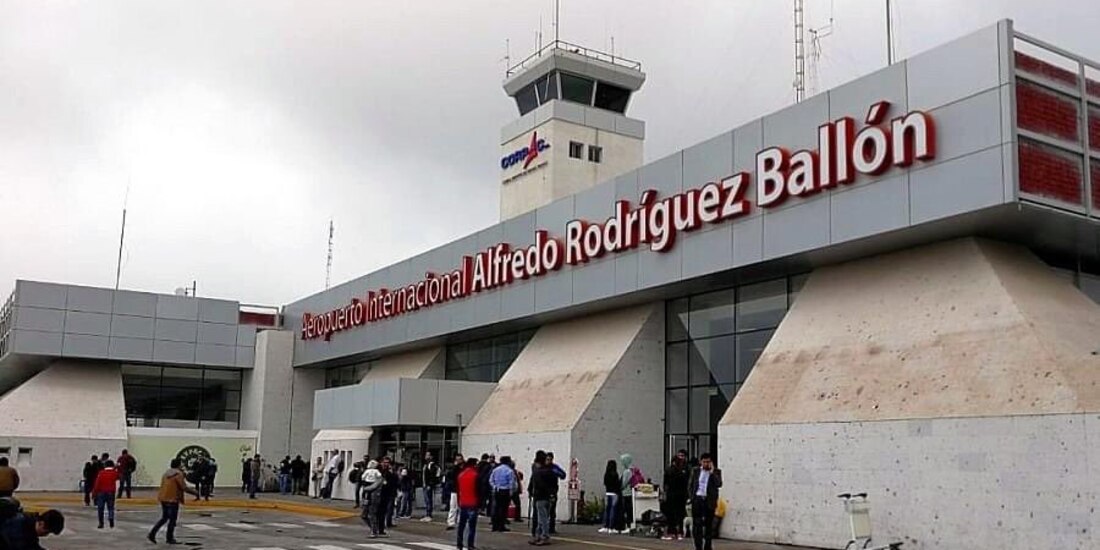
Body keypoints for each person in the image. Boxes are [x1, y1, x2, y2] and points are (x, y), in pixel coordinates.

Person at [147, 458, 198, 545]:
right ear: (179, 465)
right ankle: (169, 538)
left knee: (164, 518)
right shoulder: (178, 474)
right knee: (172, 520)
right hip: (173, 499)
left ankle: (152, 533)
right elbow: (183, 487)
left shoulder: (166, 473)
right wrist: (195, 493)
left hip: (163, 498)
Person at [688, 453, 722, 550]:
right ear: (701, 462)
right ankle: (698, 546)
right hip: (698, 499)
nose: (706, 464)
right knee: (697, 524)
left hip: (709, 500)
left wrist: (712, 473)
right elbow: (690, 485)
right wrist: (692, 497)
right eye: (704, 462)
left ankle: (708, 545)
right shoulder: (695, 471)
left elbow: (719, 484)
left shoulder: (716, 472)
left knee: (708, 524)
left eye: (708, 462)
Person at [528, 451, 558, 546]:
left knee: (542, 518)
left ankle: (544, 536)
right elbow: (555, 484)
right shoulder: (551, 471)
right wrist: (552, 494)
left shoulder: (537, 472)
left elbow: (536, 484)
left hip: (540, 496)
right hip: (548, 497)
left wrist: (531, 492)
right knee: (544, 517)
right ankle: (539, 535)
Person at [0, 506, 64, 548]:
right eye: (46, 532)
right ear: (41, 523)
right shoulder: (18, 526)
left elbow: (32, 546)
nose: (45, 535)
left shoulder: (29, 526)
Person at [662, 450, 690, 540]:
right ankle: (679, 532)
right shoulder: (683, 470)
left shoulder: (670, 470)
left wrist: (665, 492)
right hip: (680, 495)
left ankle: (672, 532)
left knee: (672, 514)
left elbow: (665, 483)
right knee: (680, 514)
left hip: (672, 494)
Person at [455, 457, 480, 550]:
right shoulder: (475, 475)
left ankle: (459, 544)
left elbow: (458, 490)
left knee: (461, 525)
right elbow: (478, 490)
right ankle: (470, 544)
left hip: (463, 502)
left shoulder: (460, 475)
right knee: (472, 527)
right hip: (473, 503)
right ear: (473, 465)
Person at [359, 460, 385, 538]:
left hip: (374, 497)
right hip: (367, 496)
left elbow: (373, 486)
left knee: (372, 514)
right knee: (364, 515)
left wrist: (366, 488)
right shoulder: (369, 475)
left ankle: (374, 531)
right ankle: (374, 529)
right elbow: (363, 479)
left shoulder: (379, 479)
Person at [489, 456, 515, 532]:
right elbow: (511, 483)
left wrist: (494, 487)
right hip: (505, 491)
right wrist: (511, 492)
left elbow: (491, 480)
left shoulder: (495, 470)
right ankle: (501, 526)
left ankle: (494, 526)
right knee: (503, 509)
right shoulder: (509, 471)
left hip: (497, 490)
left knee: (496, 508)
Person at [92, 459, 119, 529]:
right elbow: (118, 479)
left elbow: (97, 484)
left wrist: (94, 493)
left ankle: (101, 523)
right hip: (111, 492)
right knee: (111, 507)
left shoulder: (101, 473)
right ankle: (111, 520)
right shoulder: (114, 473)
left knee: (100, 508)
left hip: (101, 492)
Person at [545, 453, 566, 534]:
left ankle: (551, 527)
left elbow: (563, 475)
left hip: (552, 491)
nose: (548, 461)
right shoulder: (542, 468)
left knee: (552, 510)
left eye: (550, 459)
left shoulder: (554, 467)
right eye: (547, 459)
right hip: (544, 491)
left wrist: (555, 472)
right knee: (544, 511)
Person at [599, 459, 621, 534]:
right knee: (613, 510)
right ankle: (611, 527)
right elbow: (617, 484)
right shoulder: (615, 474)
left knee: (607, 510)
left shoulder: (606, 474)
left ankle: (606, 526)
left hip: (608, 492)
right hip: (614, 493)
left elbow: (605, 483)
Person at [444, 454, 464, 530]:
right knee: (453, 506)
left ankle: (460, 521)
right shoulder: (454, 469)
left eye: (460, 459)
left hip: (461, 490)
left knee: (461, 507)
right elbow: (451, 476)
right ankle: (451, 522)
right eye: (457, 459)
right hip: (455, 489)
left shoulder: (464, 469)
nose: (459, 461)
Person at [380, 457, 399, 529]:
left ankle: (388, 522)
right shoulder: (380, 471)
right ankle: (381, 524)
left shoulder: (391, 472)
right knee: (383, 509)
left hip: (391, 492)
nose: (386, 464)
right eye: (385, 462)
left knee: (390, 508)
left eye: (387, 463)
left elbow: (396, 480)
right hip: (382, 492)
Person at [421, 452, 441, 521]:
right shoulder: (426, 465)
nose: (426, 456)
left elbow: (432, 476)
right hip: (425, 484)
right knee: (427, 499)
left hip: (428, 485)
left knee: (428, 499)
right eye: (426, 455)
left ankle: (429, 514)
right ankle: (428, 513)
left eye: (428, 455)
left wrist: (429, 484)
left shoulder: (432, 465)